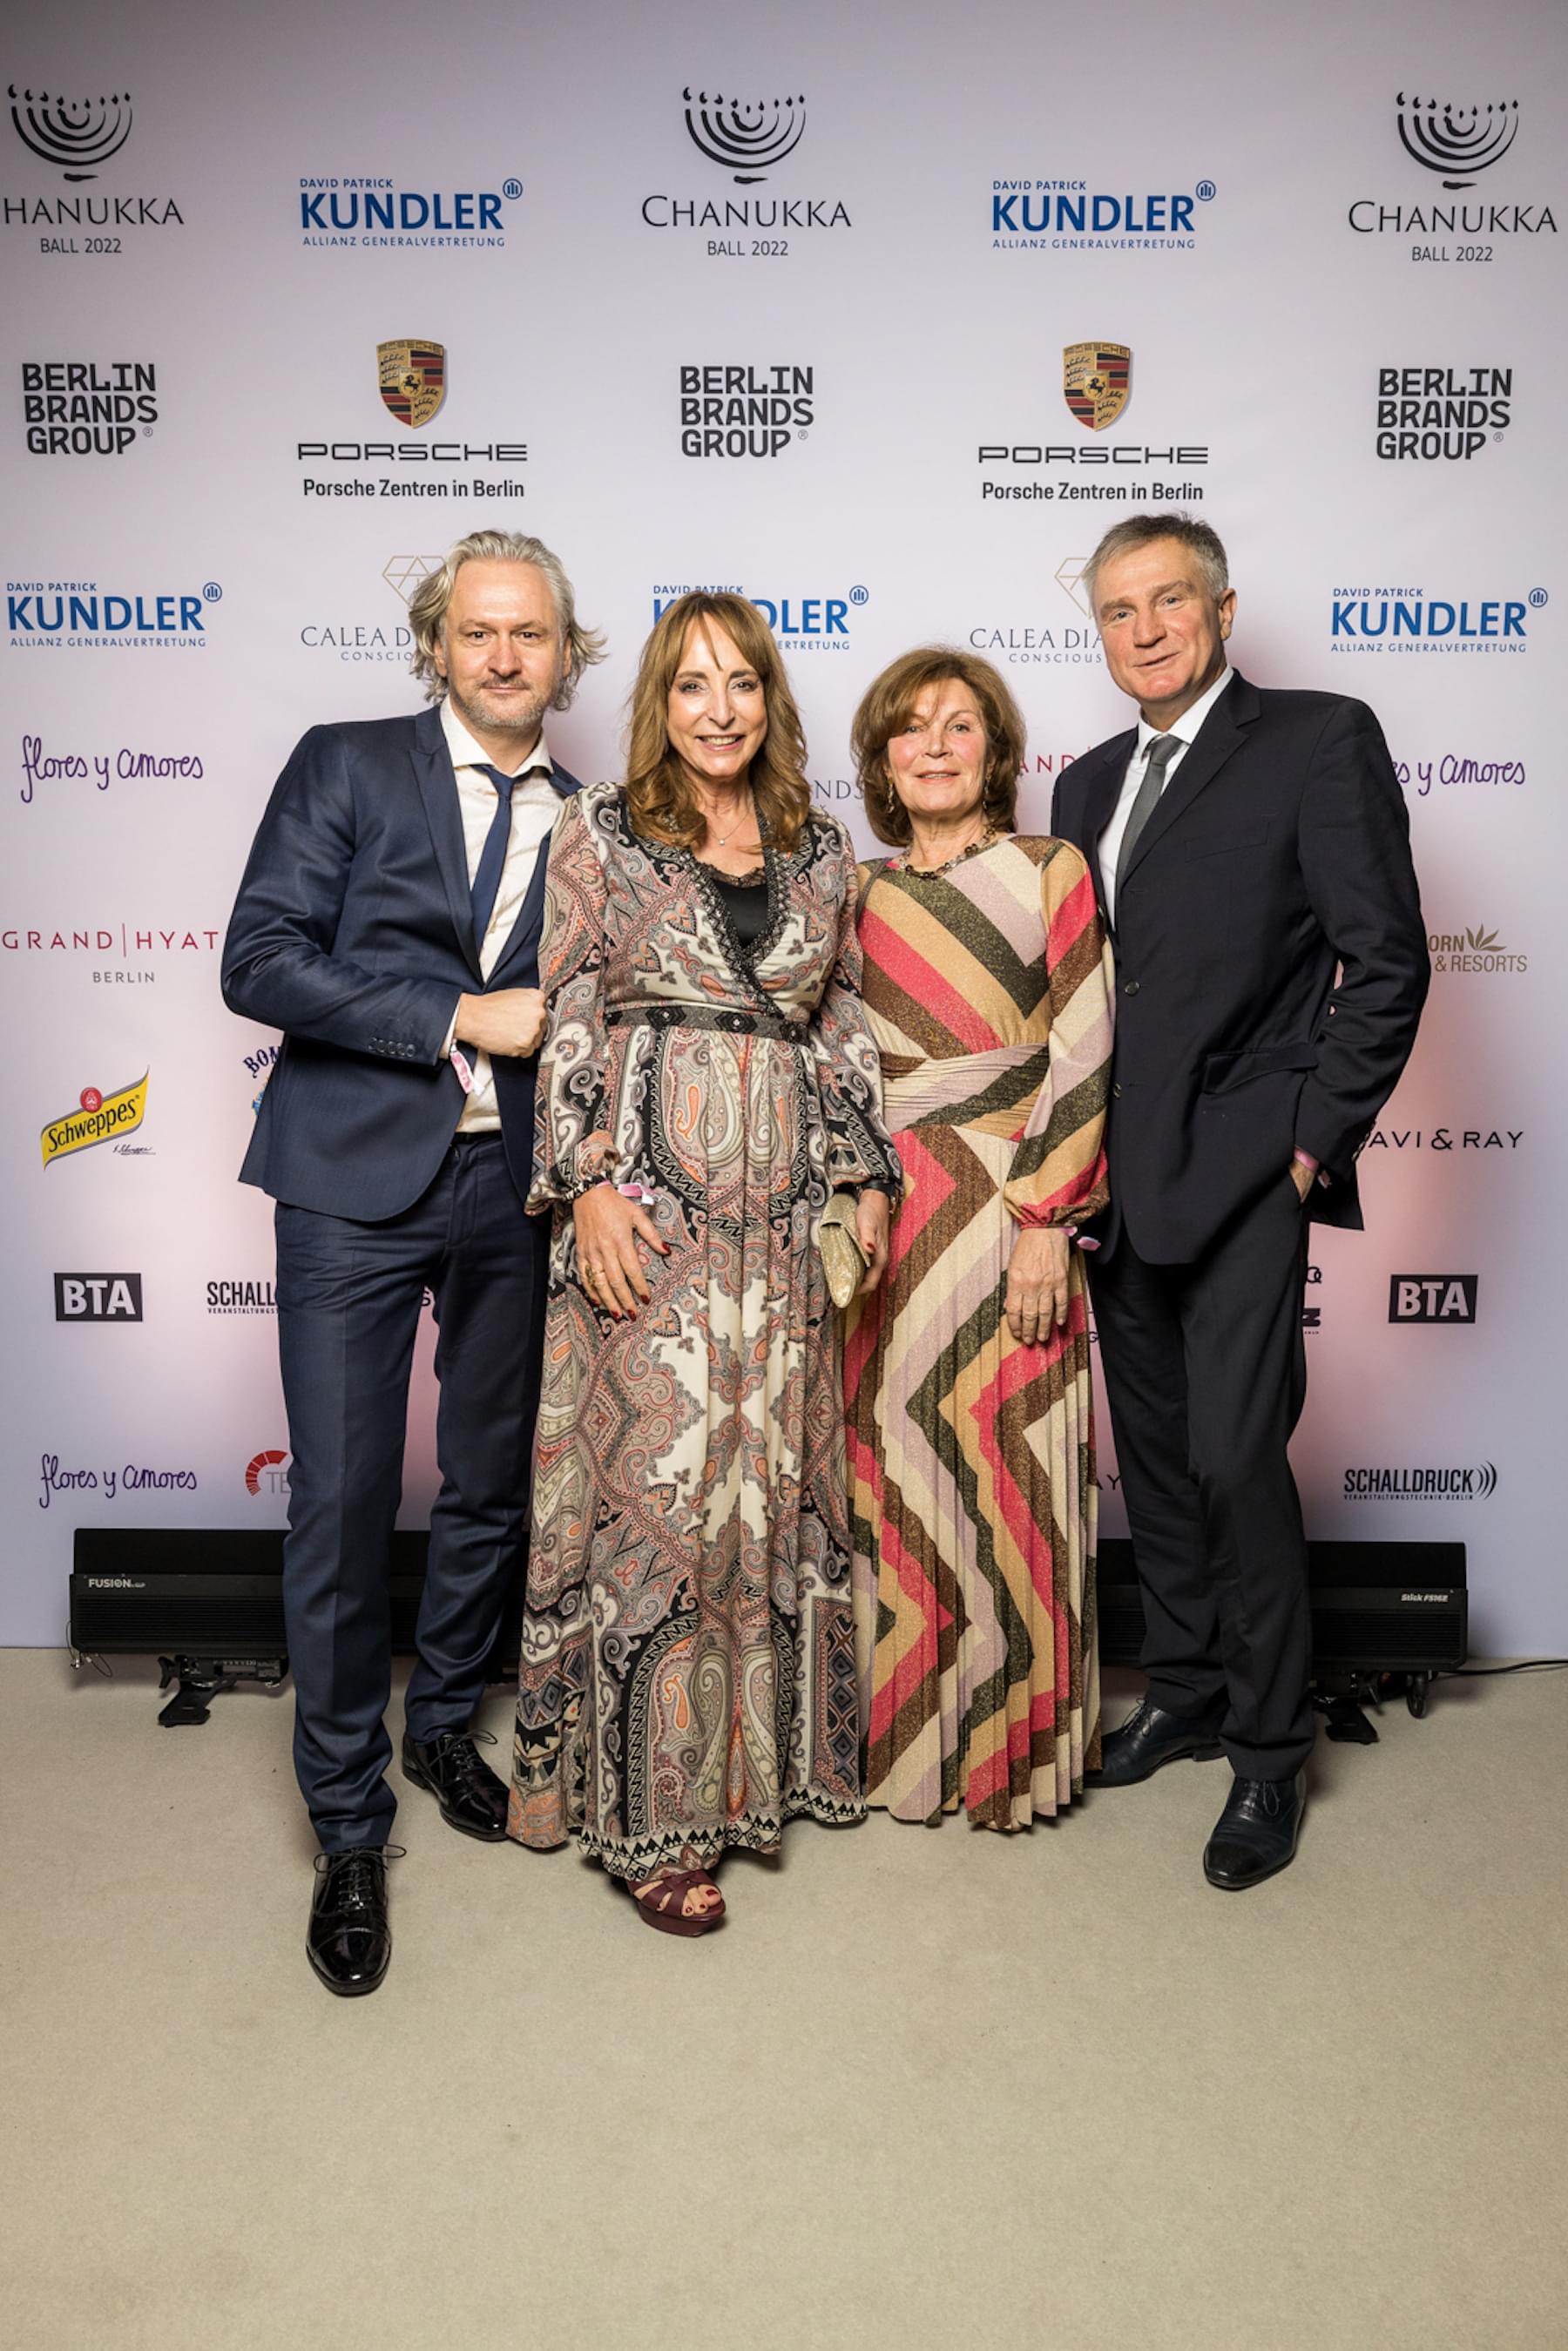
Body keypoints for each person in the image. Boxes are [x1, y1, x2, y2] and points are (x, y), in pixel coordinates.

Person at [221, 529, 604, 1994]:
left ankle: (443, 1722)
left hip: (516, 1187)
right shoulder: (347, 763)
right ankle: (346, 1821)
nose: (505, 655)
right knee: (340, 1500)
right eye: (478, 630)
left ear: (567, 656)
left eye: (531, 634)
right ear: (437, 644)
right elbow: (259, 959)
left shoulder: (596, 821)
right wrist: (453, 1014)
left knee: (493, 1479)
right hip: (349, 1184)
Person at [508, 591, 900, 1934]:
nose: (718, 710)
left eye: (740, 684)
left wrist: (862, 1173)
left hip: (780, 1223)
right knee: (657, 1498)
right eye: (691, 685)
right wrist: (584, 1187)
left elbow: (840, 1022)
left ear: (769, 700)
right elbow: (569, 1006)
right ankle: (650, 1809)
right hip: (649, 1214)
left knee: (761, 1492)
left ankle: (755, 1777)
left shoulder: (819, 847)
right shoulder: (602, 828)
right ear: (659, 704)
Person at [1051, 513, 1428, 1889]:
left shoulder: (1319, 738)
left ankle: (1270, 1750)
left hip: (1251, 1170)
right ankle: (1190, 1686)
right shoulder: (1086, 785)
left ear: (1220, 609)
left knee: (1233, 1461)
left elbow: (1386, 958)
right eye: (1118, 610)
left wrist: (1310, 1144)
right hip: (1116, 1174)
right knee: (1153, 1462)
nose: (1145, 630)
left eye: (1169, 601)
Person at [844, 649, 1114, 1830]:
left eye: (961, 725)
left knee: (1012, 1474)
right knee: (889, 1477)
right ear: (882, 760)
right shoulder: (853, 892)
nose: (936, 746)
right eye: (911, 729)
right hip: (885, 1219)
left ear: (996, 752)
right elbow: (831, 1064)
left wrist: (1048, 1218)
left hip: (1010, 1205)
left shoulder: (1053, 869)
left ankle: (1014, 1758)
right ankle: (903, 1749)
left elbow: (1086, 1046)